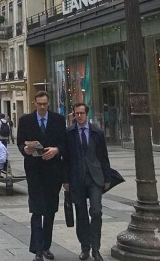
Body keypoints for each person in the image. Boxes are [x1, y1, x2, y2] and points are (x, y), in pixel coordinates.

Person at [18, 91, 66, 261]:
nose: (43, 107)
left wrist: (57, 150)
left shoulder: (59, 120)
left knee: (50, 211)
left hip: (53, 172)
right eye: (39, 104)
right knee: (37, 210)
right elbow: (20, 142)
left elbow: (64, 142)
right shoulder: (25, 120)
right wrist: (25, 149)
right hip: (35, 172)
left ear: (49, 103)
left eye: (45, 103)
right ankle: (38, 249)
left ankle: (46, 246)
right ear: (35, 103)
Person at [63, 103, 111, 261]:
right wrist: (66, 180)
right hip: (76, 179)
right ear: (74, 115)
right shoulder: (69, 133)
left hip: (94, 178)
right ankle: (85, 247)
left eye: (82, 113)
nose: (79, 116)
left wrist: (107, 178)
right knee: (81, 214)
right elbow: (66, 159)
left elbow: (103, 156)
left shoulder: (97, 132)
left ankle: (96, 248)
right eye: (76, 113)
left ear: (86, 114)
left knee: (96, 212)